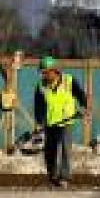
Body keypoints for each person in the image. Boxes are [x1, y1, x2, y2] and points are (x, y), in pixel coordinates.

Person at [33, 55, 87, 187]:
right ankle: (53, 175)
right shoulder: (41, 86)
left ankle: (64, 177)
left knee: (65, 150)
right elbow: (38, 106)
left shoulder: (69, 81)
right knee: (49, 151)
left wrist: (85, 106)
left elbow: (80, 94)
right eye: (42, 73)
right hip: (50, 123)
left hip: (66, 122)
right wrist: (39, 122)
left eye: (46, 72)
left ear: (54, 71)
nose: (44, 75)